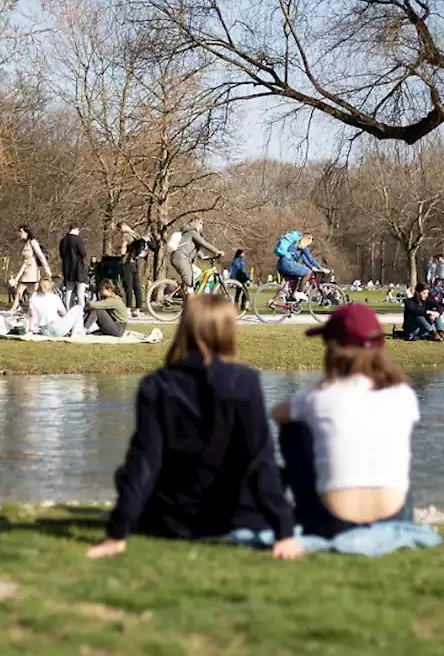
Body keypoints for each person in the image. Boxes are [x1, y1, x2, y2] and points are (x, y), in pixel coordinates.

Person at [87, 295, 300, 561]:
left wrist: (117, 533)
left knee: (128, 472)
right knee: (270, 468)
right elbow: (261, 460)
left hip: (173, 518)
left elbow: (144, 462)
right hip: (235, 515)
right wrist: (285, 531)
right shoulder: (245, 383)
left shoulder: (156, 385)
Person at [269, 304, 418, 538]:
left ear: (333, 350)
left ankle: (291, 504)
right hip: (396, 517)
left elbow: (275, 414)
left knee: (292, 429)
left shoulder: (317, 399)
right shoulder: (404, 395)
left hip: (331, 523)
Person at [169, 218, 222, 292]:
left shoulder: (189, 233)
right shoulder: (192, 232)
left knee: (197, 272)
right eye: (200, 223)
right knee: (190, 282)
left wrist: (206, 257)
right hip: (182, 258)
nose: (201, 226)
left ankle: (186, 291)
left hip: (180, 258)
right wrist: (216, 251)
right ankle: (190, 298)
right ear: (196, 222)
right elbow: (203, 243)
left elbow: (196, 250)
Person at [9, 224, 51, 313]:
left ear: (27, 232)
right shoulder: (26, 244)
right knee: (19, 291)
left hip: (32, 271)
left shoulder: (33, 242)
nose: (19, 234)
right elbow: (25, 262)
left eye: (21, 232)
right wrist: (17, 278)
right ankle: (14, 308)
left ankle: (39, 309)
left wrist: (47, 268)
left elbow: (40, 256)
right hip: (26, 270)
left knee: (34, 292)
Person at [277, 232, 328, 301]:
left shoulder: (299, 247)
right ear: (308, 239)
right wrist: (321, 268)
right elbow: (311, 259)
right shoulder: (304, 247)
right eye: (311, 239)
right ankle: (299, 292)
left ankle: (291, 301)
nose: (311, 241)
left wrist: (313, 268)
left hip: (281, 264)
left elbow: (306, 261)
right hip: (287, 263)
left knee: (296, 280)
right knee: (308, 272)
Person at [117, 222, 154, 317]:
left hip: (127, 262)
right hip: (135, 263)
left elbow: (123, 249)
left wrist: (121, 251)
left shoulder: (125, 235)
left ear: (122, 227)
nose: (119, 231)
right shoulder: (136, 235)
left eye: (119, 229)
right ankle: (138, 308)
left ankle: (128, 308)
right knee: (137, 286)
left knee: (128, 286)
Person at [59, 224, 87, 309]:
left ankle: (68, 309)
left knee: (69, 291)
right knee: (80, 291)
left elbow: (61, 254)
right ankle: (81, 310)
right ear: (76, 229)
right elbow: (83, 253)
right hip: (78, 268)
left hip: (67, 268)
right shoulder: (77, 240)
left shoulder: (63, 240)